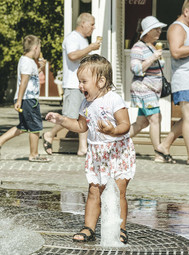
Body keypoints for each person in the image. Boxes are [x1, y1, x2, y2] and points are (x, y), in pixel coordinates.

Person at [45, 54, 136, 244]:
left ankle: (120, 229)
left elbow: (125, 124)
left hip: (117, 152)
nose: (80, 86)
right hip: (97, 153)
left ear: (101, 81)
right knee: (94, 191)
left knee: (117, 192)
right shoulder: (86, 103)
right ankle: (89, 227)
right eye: (79, 81)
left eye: (84, 81)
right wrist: (61, 120)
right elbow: (81, 126)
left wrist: (113, 130)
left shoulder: (114, 100)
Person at [155, 0, 189, 167]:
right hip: (186, 81)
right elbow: (176, 52)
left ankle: (163, 147)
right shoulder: (177, 27)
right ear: (186, 11)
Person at [42, 12, 101, 156]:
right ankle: (49, 134)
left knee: (84, 117)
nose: (93, 28)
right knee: (70, 116)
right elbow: (72, 55)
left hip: (83, 85)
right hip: (73, 84)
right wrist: (91, 48)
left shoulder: (83, 40)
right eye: (92, 24)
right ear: (83, 23)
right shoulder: (72, 38)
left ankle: (82, 148)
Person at [0, 35, 50, 162]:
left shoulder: (26, 61)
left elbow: (30, 77)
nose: (39, 51)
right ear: (35, 48)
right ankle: (34, 154)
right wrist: (19, 100)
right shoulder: (27, 62)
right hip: (28, 99)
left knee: (23, 127)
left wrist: (40, 68)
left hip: (26, 99)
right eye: (39, 48)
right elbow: (24, 81)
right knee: (35, 126)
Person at [129, 16, 169, 163]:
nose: (159, 31)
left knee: (142, 123)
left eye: (160, 28)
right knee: (155, 118)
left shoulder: (153, 46)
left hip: (152, 90)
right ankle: (159, 153)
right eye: (156, 29)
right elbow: (136, 69)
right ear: (147, 32)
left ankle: (115, 140)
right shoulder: (138, 47)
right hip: (143, 88)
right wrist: (152, 58)